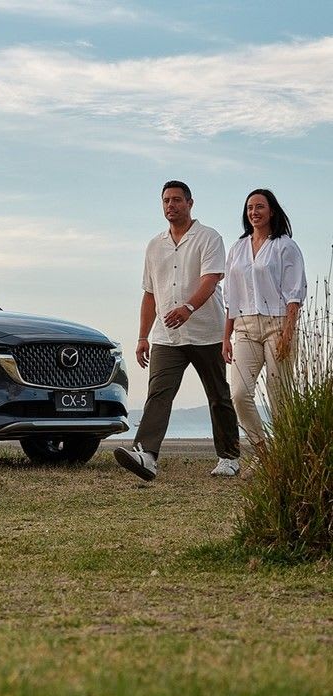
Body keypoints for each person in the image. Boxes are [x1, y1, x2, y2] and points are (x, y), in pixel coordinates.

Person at [115, 180, 240, 483]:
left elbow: (210, 281)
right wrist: (143, 336)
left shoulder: (209, 238)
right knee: (158, 394)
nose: (171, 206)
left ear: (190, 203)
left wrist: (188, 308)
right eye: (166, 201)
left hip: (206, 332)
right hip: (166, 337)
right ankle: (146, 455)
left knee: (218, 395)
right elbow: (149, 294)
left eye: (176, 200)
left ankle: (229, 457)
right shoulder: (154, 245)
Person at [222, 189, 306, 448]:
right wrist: (226, 337)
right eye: (250, 208)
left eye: (259, 207)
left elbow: (294, 295)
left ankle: (286, 453)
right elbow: (231, 297)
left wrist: (287, 333)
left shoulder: (285, 246)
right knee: (238, 393)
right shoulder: (238, 248)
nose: (254, 212)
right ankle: (264, 454)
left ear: (271, 211)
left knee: (279, 395)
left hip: (278, 325)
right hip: (245, 327)